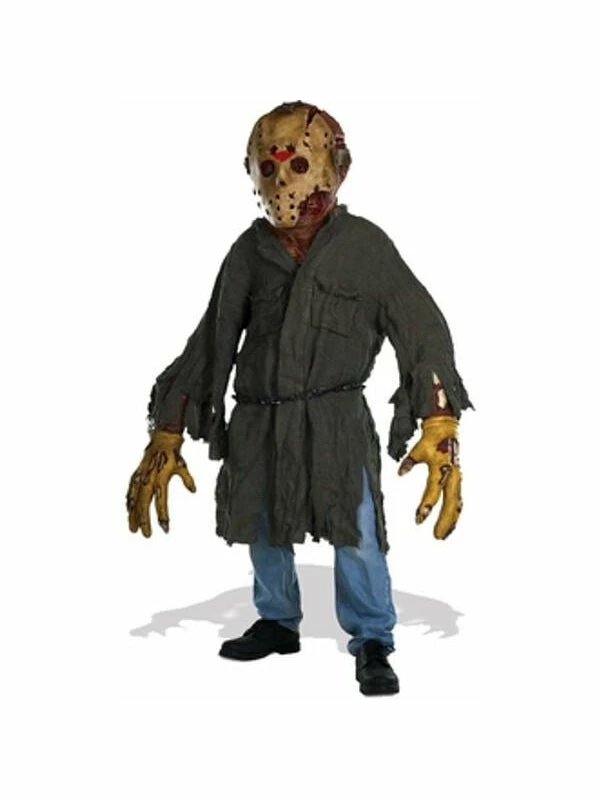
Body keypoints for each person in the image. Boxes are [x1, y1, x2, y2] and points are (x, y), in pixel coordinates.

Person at [126, 101, 474, 696]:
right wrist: (168, 427)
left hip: (335, 418)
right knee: (263, 521)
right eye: (269, 168)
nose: (283, 182)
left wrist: (438, 419)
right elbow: (211, 340)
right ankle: (277, 619)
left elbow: (421, 327)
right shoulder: (249, 252)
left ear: (336, 168)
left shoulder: (365, 247)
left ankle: (372, 637)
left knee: (356, 528)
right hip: (260, 418)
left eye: (298, 164)